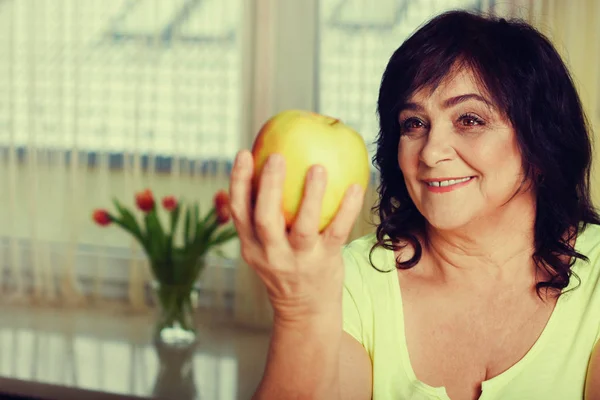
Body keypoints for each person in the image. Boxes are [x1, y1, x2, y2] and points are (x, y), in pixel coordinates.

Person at [230, 10, 600, 400]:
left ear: (541, 145)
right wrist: (299, 308)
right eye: (414, 124)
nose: (431, 152)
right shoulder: (351, 279)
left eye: (469, 119)